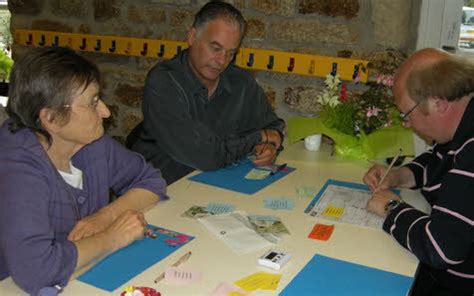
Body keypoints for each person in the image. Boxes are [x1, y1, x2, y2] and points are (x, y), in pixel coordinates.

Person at [0, 47, 168, 295]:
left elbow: (151, 181)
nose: (106, 112)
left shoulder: (91, 143)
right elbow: (36, 270)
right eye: (92, 103)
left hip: (82, 277)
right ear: (51, 119)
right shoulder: (16, 170)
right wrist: (112, 237)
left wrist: (104, 217)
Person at [127, 1, 285, 184]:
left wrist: (270, 144)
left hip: (216, 185)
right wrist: (259, 137)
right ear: (192, 37)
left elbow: (273, 126)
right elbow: (206, 155)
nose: (221, 61)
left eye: (231, 53)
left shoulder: (241, 82)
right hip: (159, 189)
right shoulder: (164, 81)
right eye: (215, 48)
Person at [363, 48, 474, 295]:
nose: (407, 124)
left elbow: (442, 248)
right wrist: (399, 176)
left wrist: (392, 207)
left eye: (407, 114)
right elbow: (437, 162)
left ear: (439, 104)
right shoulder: (462, 124)